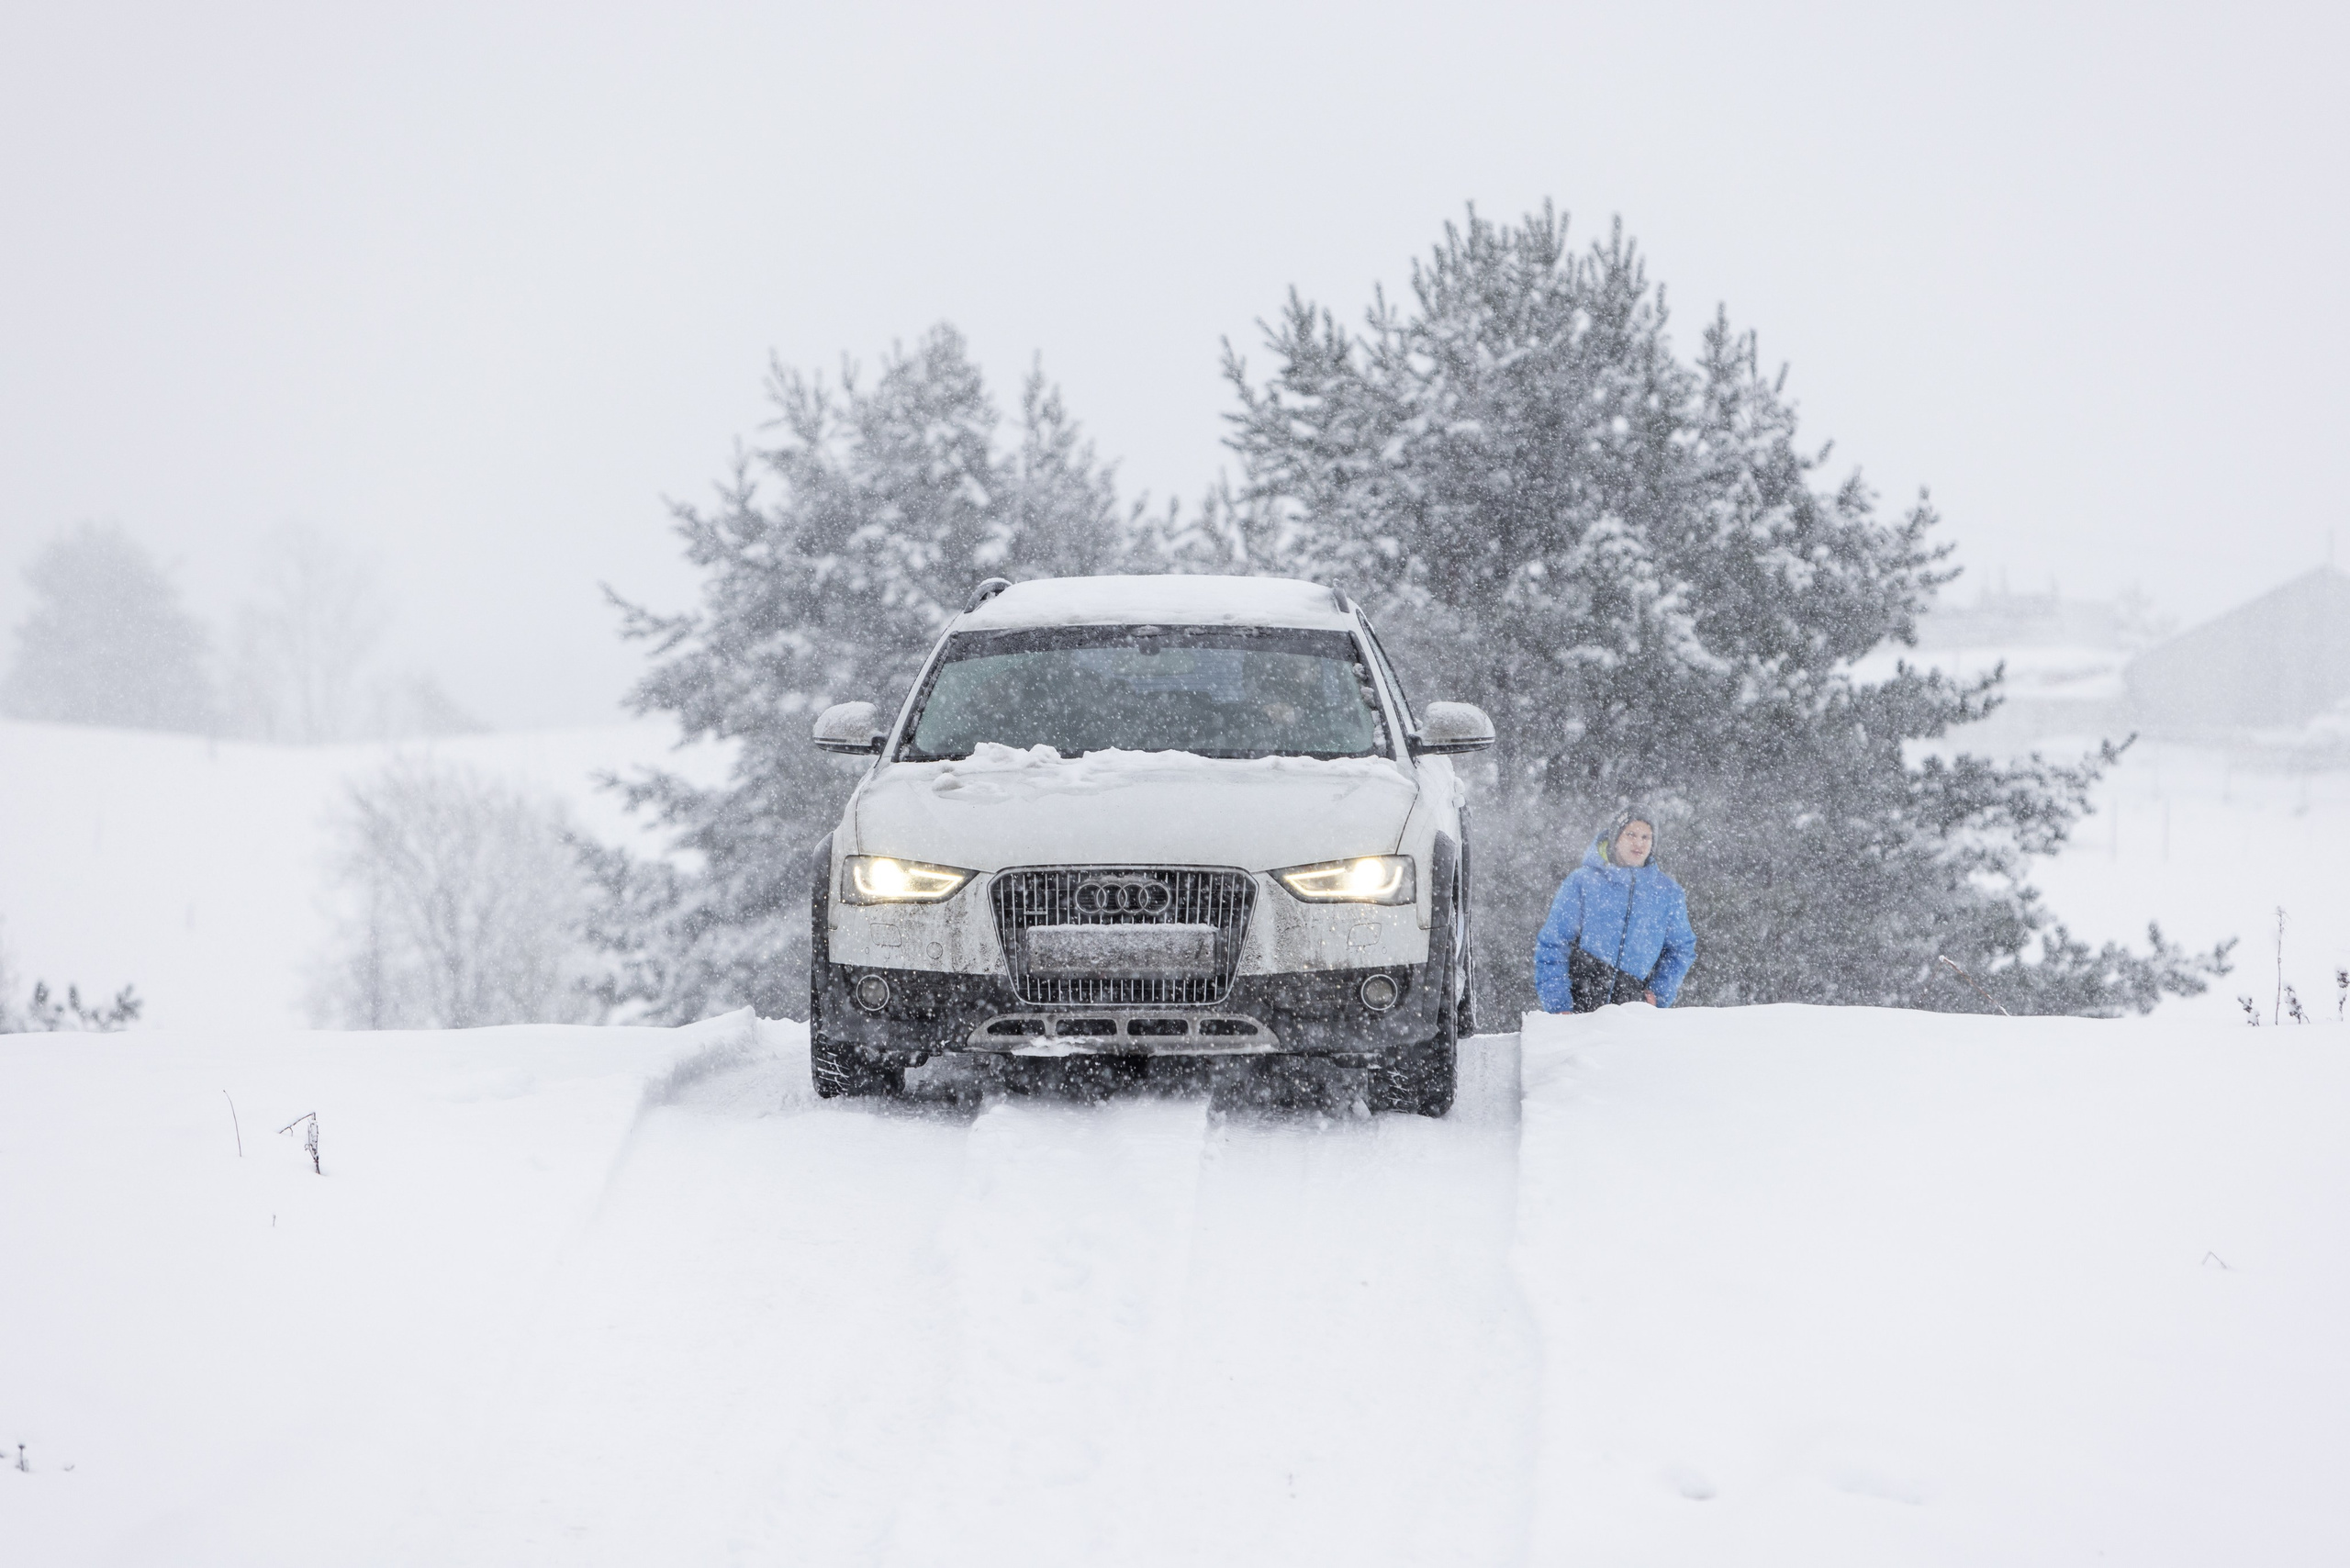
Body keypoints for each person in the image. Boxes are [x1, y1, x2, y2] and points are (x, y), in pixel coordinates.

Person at [1534, 808, 1696, 1013]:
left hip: (1633, 1012)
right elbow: (1554, 943)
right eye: (1631, 834)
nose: (1639, 843)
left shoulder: (1668, 893)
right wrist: (1558, 1004)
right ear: (1615, 838)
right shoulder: (1583, 882)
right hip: (1578, 1008)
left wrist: (1658, 994)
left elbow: (1681, 948)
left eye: (1646, 837)